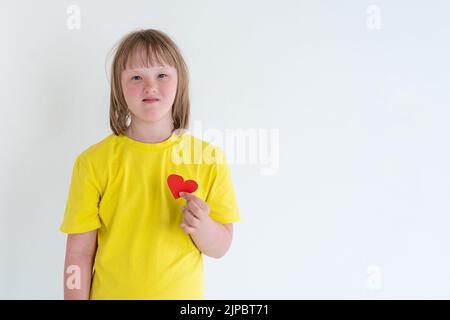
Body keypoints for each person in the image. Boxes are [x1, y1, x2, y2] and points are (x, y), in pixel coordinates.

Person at [60, 28, 240, 300]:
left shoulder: (208, 159)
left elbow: (221, 246)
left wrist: (203, 227)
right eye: (136, 77)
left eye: (162, 75)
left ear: (179, 82)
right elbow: (79, 254)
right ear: (119, 89)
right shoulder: (92, 163)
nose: (150, 86)